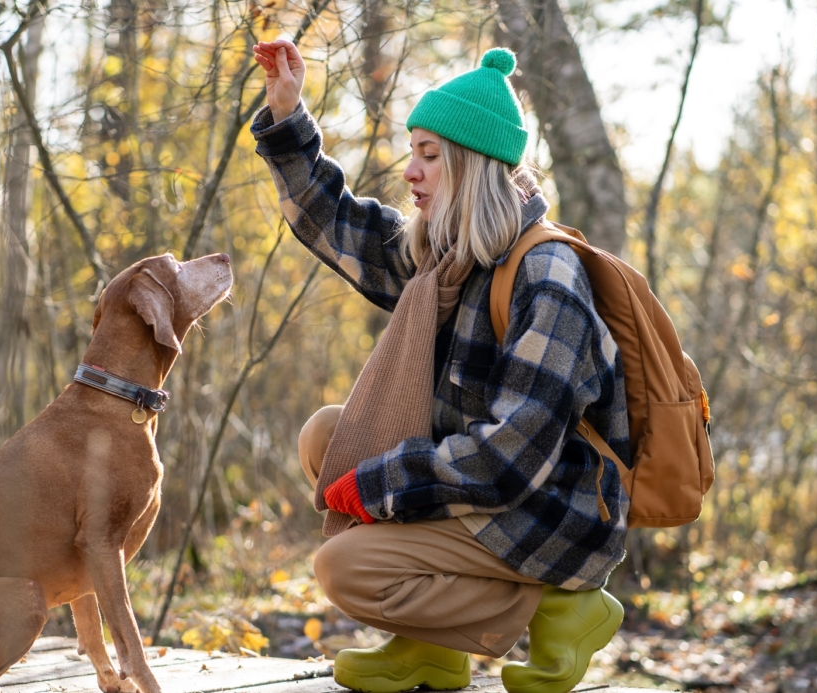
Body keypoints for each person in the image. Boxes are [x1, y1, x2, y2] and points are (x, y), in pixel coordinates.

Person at [250, 40, 629, 693]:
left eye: (429, 156)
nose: (410, 171)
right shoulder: (447, 260)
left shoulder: (547, 275)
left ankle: (562, 607)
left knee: (345, 568)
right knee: (326, 436)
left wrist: (383, 483)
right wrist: (289, 119)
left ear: (474, 166)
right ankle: (432, 650)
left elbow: (510, 458)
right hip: (490, 493)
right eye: (412, 152)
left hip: (551, 514)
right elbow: (342, 228)